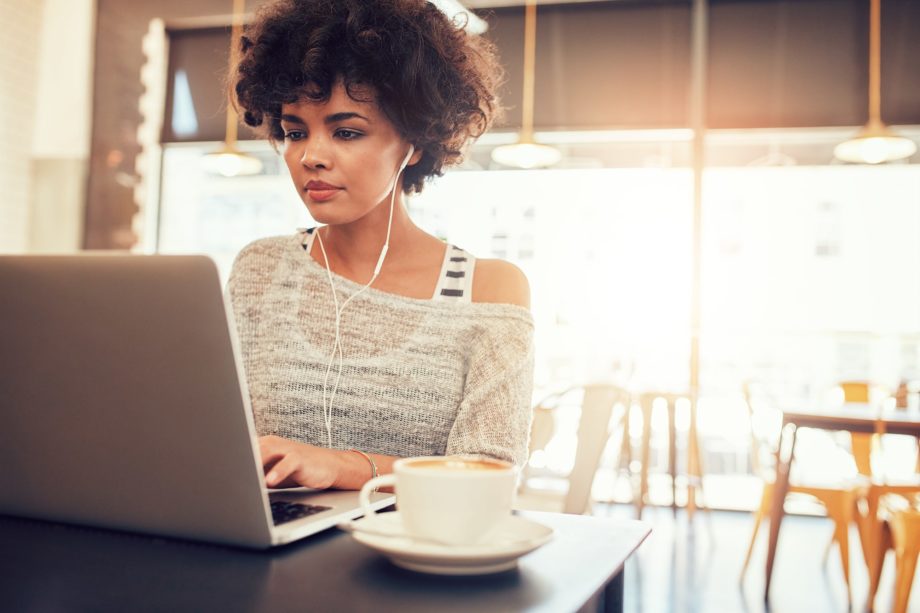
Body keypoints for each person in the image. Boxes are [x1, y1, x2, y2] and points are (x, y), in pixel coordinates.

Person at [227, 0, 534, 492]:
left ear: (414, 141)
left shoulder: (487, 290)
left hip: (414, 555)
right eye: (294, 132)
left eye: (346, 132)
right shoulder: (260, 269)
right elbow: (220, 440)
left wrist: (340, 466)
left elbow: (490, 473)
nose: (311, 156)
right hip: (273, 550)